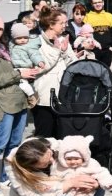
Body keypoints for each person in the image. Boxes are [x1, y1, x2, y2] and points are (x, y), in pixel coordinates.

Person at [0, 13, 39, 196]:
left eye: (0, 29)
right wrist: (19, 73)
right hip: (1, 103)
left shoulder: (3, 47)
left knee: (14, 143)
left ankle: (5, 178)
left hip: (18, 101)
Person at [32, 8, 79, 138]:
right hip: (44, 97)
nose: (66, 25)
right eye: (62, 23)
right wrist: (57, 50)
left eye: (66, 22)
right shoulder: (36, 42)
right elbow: (41, 67)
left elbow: (73, 64)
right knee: (44, 136)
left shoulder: (64, 39)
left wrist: (65, 52)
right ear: (51, 24)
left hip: (62, 95)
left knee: (61, 135)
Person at [83, 0, 112, 67]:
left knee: (106, 71)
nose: (97, 4)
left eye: (99, 2)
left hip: (107, 50)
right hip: (93, 50)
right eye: (95, 3)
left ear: (103, 3)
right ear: (92, 4)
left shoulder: (109, 15)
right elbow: (85, 34)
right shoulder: (87, 16)